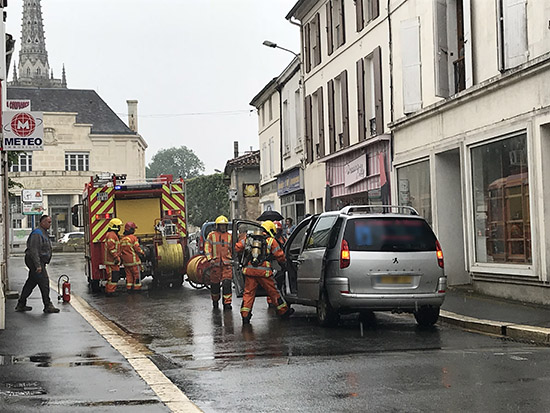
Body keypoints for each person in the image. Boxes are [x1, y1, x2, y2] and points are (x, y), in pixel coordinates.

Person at [235, 220, 294, 324]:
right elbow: (279, 255)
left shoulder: (249, 238)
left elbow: (237, 247)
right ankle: (283, 311)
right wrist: (284, 264)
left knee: (248, 293)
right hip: (264, 272)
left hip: (250, 271)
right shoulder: (271, 241)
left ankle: (245, 315)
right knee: (273, 292)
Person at [15, 215, 60, 313]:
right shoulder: (37, 234)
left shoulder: (43, 233)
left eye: (50, 222)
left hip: (38, 261)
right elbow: (34, 251)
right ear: (42, 223)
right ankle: (48, 305)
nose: (50, 224)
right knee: (44, 282)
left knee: (31, 282)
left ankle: (21, 304)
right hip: (35, 261)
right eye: (48, 222)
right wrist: (38, 265)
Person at [205, 215, 233, 310]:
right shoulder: (211, 235)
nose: (223, 227)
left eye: (224, 225)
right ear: (217, 226)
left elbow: (234, 249)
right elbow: (207, 248)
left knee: (227, 283)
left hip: (227, 265)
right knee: (215, 285)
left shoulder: (230, 236)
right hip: (215, 265)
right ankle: (215, 301)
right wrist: (210, 259)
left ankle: (227, 303)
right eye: (221, 225)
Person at [120, 221, 144, 292]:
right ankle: (137, 289)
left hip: (126, 262)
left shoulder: (122, 240)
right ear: (131, 230)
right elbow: (137, 248)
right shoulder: (133, 238)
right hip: (134, 262)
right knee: (136, 275)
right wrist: (142, 253)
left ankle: (129, 288)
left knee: (129, 276)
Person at [104, 218, 123, 296]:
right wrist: (116, 257)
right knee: (113, 277)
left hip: (112, 260)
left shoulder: (112, 234)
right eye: (119, 226)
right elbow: (111, 248)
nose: (119, 228)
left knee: (112, 277)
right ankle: (110, 292)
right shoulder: (112, 235)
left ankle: (110, 290)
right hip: (112, 260)